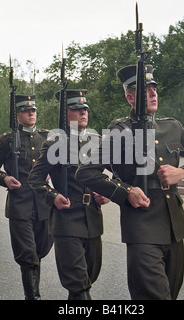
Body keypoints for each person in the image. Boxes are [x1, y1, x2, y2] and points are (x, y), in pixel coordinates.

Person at [75, 65, 184, 300]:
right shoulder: (120, 130)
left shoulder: (172, 127)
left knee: (171, 294)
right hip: (141, 226)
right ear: (129, 97)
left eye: (154, 88)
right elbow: (86, 172)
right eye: (145, 90)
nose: (153, 93)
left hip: (174, 227)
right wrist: (126, 191)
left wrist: (182, 172)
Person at [28, 89, 109, 300]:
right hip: (66, 219)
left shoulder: (97, 140)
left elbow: (116, 175)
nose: (83, 112)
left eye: (85, 109)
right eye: (76, 109)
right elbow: (35, 179)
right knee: (78, 284)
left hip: (92, 218)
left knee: (88, 278)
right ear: (65, 113)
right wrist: (52, 196)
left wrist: (108, 193)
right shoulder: (54, 143)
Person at [0, 95, 52, 300]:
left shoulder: (47, 137)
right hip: (20, 205)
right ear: (18, 115)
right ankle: (33, 297)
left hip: (44, 205)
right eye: (26, 111)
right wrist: (4, 179)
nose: (31, 114)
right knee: (28, 256)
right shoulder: (8, 139)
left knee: (40, 251)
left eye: (33, 110)